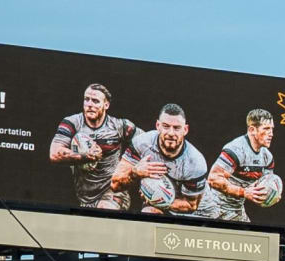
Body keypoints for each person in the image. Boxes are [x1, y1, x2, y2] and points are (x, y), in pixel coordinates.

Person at [46, 82, 140, 210]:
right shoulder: (73, 123)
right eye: (86, 100)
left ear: (106, 105)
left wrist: (133, 169)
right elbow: (54, 153)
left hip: (113, 191)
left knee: (103, 210)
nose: (89, 104)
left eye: (95, 101)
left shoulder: (120, 126)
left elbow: (147, 144)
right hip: (84, 196)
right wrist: (85, 156)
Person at [117, 105, 211, 216]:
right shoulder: (142, 144)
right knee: (149, 212)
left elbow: (191, 205)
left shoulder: (195, 161)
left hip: (199, 210)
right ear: (158, 125)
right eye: (166, 126)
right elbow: (115, 184)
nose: (171, 133)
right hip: (156, 203)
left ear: (185, 130)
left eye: (176, 128)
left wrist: (160, 199)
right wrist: (134, 172)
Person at [204, 105, 285, 223]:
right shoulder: (236, 150)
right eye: (266, 129)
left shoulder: (267, 158)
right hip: (212, 207)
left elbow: (265, 184)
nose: (271, 134)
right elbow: (213, 179)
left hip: (236, 210)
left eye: (272, 129)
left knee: (253, 239)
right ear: (252, 130)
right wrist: (244, 192)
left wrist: (273, 194)